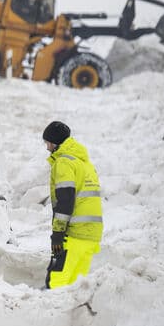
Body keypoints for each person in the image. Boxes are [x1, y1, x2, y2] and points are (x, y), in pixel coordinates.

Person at [42, 121, 103, 289]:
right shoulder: (85, 163)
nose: (47, 147)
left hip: (74, 233)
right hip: (92, 235)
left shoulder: (64, 162)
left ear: (55, 143)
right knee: (75, 287)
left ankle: (54, 316)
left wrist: (58, 233)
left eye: (47, 143)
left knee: (57, 283)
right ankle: (73, 315)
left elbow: (66, 200)